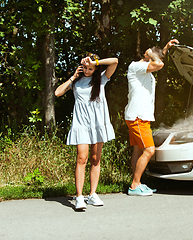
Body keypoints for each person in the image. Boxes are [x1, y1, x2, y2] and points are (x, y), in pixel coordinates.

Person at [55, 53, 118, 210]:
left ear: (95, 68)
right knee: (81, 158)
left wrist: (96, 61)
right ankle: (79, 197)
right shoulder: (76, 82)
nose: (88, 70)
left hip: (98, 124)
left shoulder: (101, 79)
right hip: (81, 124)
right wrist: (73, 77)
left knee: (96, 159)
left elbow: (115, 61)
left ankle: (92, 194)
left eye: (91, 68)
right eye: (86, 67)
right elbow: (57, 92)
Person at [125, 39, 179, 196]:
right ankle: (134, 186)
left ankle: (137, 182)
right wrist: (150, 53)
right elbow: (158, 63)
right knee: (149, 150)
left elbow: (158, 60)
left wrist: (166, 48)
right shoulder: (136, 66)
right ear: (147, 55)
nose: (160, 61)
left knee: (138, 150)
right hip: (137, 117)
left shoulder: (146, 68)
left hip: (140, 116)